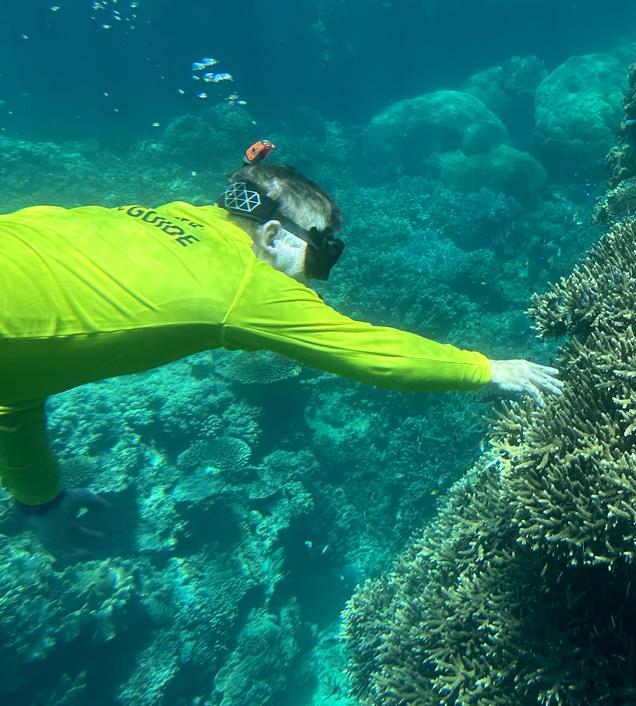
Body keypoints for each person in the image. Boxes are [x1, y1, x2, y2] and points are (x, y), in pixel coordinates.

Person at [0, 142, 563, 557]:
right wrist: (488, 369)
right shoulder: (247, 285)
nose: (318, 278)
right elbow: (368, 350)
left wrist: (39, 502)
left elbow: (15, 386)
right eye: (318, 255)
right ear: (270, 237)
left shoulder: (159, 216)